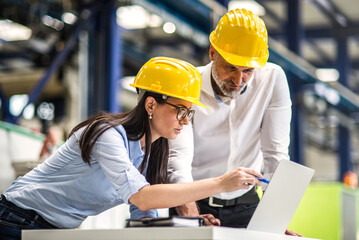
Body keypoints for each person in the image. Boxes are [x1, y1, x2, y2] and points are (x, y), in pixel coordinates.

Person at [0, 57, 264, 240]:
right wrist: (220, 183)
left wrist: (191, 225)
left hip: (53, 228)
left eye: (190, 113)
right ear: (150, 105)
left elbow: (144, 217)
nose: (185, 121)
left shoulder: (151, 154)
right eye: (181, 111)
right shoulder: (107, 135)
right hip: (16, 218)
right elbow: (142, 197)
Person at [168, 9, 300, 236]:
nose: (239, 80)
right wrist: (191, 217)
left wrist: (276, 219)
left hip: (247, 203)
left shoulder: (272, 79)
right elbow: (177, 160)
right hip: (192, 199)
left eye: (248, 70)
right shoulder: (188, 86)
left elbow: (275, 154)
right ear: (212, 53)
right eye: (230, 67)